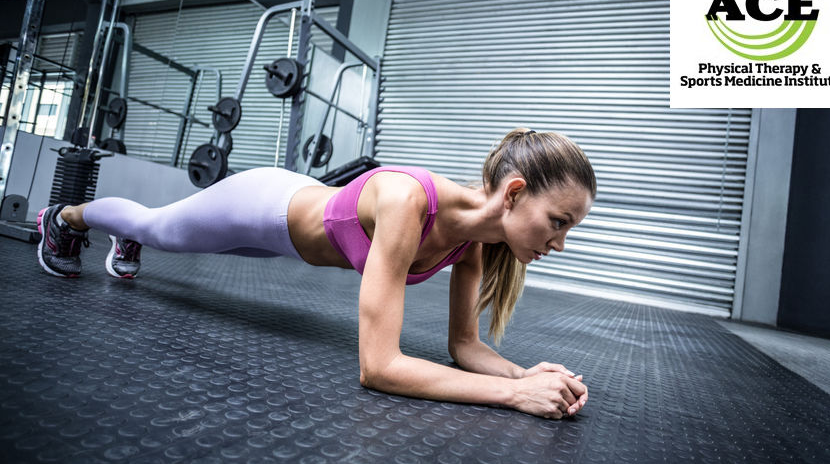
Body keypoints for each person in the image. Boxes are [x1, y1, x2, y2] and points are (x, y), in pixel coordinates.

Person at [36, 128, 595, 419]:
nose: (560, 242)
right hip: (262, 207)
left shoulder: (472, 245)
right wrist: (511, 399)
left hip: (289, 246)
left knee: (169, 236)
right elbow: (379, 367)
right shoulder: (408, 201)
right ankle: (63, 217)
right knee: (160, 229)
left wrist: (523, 376)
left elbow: (465, 346)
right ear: (515, 193)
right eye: (558, 222)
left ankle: (113, 229)